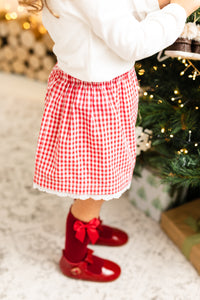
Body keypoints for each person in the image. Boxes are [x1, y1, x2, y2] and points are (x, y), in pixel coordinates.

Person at [19, 0, 200, 282]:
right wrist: (179, 10)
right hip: (94, 97)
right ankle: (74, 257)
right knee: (95, 181)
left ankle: (91, 224)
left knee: (107, 170)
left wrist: (158, 3)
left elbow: (120, 9)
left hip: (104, 88)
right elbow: (133, 43)